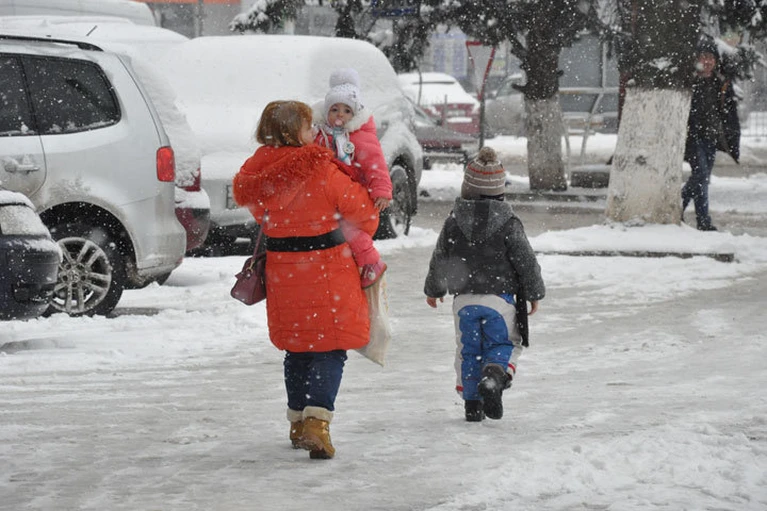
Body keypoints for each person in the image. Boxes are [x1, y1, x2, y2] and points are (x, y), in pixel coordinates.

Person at [232, 100, 379, 460]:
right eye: (309, 126)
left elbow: (263, 214)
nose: (315, 131)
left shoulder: (255, 173)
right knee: (330, 346)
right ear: (294, 132)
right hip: (328, 268)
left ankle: (297, 422)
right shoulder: (322, 170)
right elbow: (363, 214)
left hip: (283, 270)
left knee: (297, 347)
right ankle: (317, 422)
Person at [423, 147, 545, 422]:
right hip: (499, 301)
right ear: (500, 191)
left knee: (468, 350)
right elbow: (526, 260)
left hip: (464, 301)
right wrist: (534, 292)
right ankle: (493, 375)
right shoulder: (510, 224)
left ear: (467, 188)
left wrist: (434, 289)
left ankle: (472, 405)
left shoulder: (453, 222)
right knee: (503, 343)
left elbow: (440, 256)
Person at [314, 68, 392, 288]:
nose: (340, 115)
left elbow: (376, 165)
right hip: (330, 193)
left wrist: (382, 191)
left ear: (355, 114)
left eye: (347, 110)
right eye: (334, 109)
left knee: (347, 228)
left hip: (354, 193)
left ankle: (372, 262)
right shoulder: (321, 134)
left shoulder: (360, 136)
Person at [682, 36, 741, 232]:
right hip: (693, 137)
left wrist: (730, 137)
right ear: (696, 59)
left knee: (702, 178)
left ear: (716, 61)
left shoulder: (720, 83)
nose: (707, 62)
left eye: (711, 58)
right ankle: (689, 210)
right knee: (700, 175)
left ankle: (701, 220)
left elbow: (729, 113)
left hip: (712, 137)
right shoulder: (690, 81)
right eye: (703, 57)